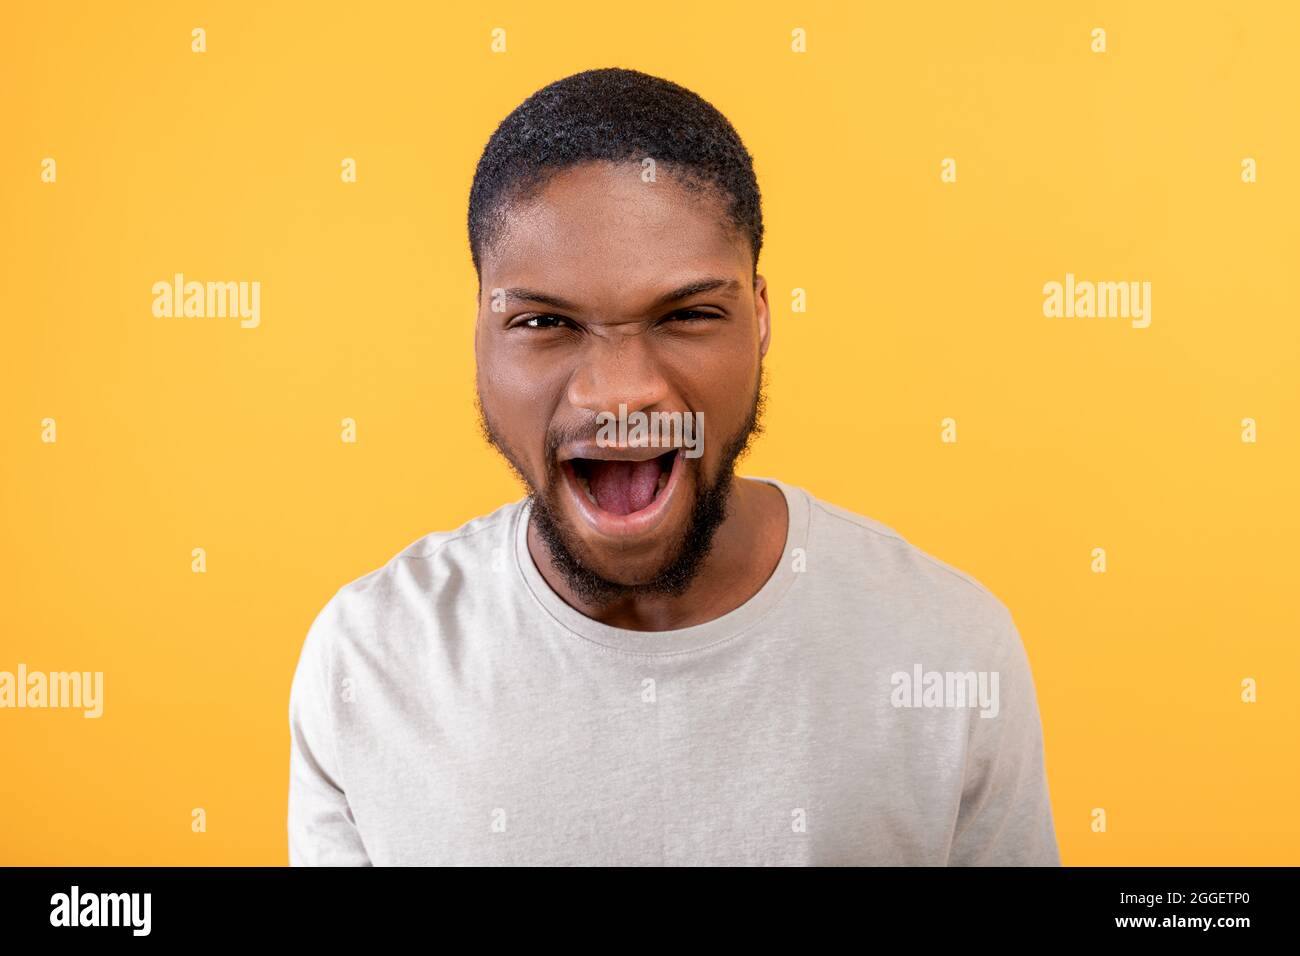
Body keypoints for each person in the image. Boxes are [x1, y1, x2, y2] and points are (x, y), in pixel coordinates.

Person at [288, 67, 1060, 866]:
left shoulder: (949, 649)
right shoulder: (367, 663)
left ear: (758, 320)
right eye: (544, 321)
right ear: (481, 338)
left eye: (688, 315)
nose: (619, 393)